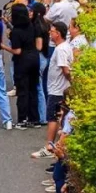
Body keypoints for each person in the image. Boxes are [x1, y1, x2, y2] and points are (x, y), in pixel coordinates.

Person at [32, 21, 73, 159]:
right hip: (61, 88)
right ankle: (53, 145)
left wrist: (72, 81)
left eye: (53, 31)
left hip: (57, 89)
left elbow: (65, 70)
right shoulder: (66, 47)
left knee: (52, 118)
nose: (50, 33)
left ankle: (49, 146)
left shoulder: (60, 49)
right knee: (57, 117)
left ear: (59, 33)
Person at [2, 4, 41, 128]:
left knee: (22, 90)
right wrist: (7, 23)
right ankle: (34, 118)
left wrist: (3, 47)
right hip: (34, 58)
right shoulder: (30, 25)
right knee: (33, 89)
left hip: (22, 62)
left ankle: (22, 119)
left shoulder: (16, 32)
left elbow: (17, 51)